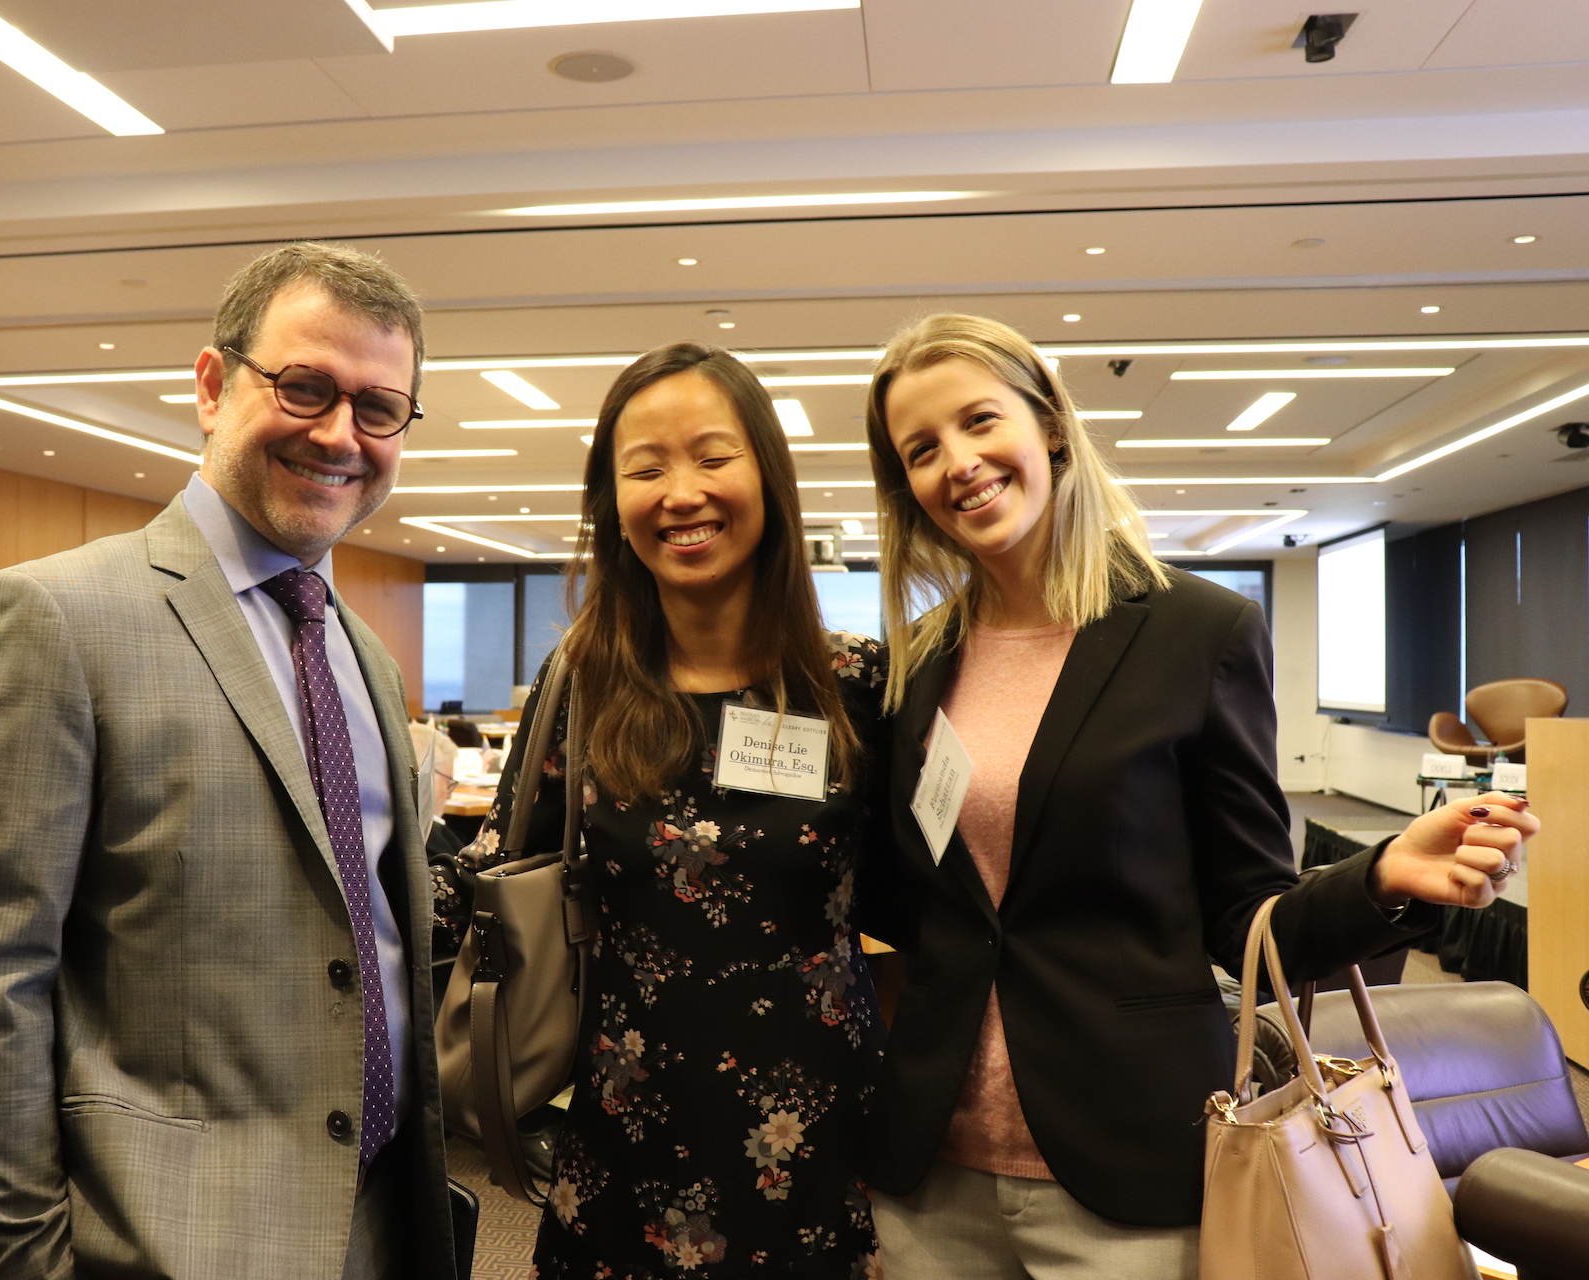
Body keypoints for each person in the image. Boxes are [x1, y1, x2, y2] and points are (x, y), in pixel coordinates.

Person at [853, 313, 1539, 1279]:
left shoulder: (1197, 631)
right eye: (921, 449)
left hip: (1130, 1163)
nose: (957, 463)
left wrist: (1381, 877)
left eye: (979, 421)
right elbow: (915, 904)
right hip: (936, 1171)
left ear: (1049, 424)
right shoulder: (920, 662)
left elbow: (1245, 913)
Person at [0, 242, 457, 1280]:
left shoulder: (366, 658)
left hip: (382, 1222)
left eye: (379, 408)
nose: (340, 434)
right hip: (164, 1239)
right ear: (211, 385)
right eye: (305, 387)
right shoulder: (55, 618)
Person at [442, 342, 885, 1278]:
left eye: (714, 457)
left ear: (769, 477)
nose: (682, 494)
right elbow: (491, 872)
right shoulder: (583, 684)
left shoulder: (854, 682)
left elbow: (933, 904)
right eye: (645, 469)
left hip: (821, 1153)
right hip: (622, 1151)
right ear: (612, 504)